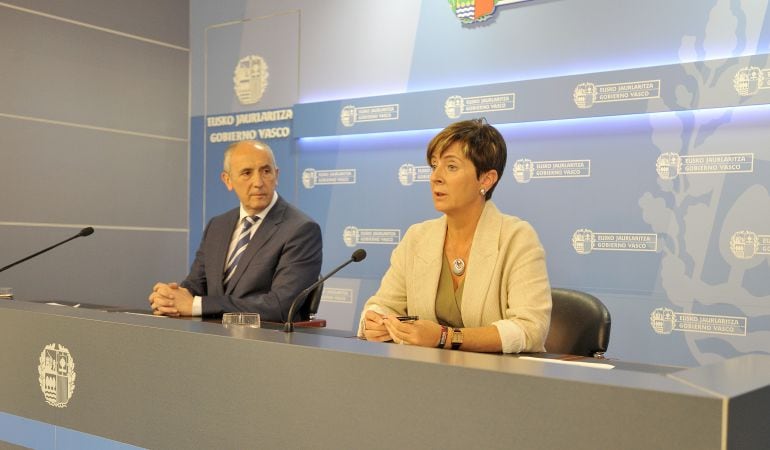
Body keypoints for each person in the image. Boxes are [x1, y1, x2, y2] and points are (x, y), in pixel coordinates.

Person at [358, 119, 551, 353]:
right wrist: (376, 320)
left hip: (497, 382)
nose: (435, 177)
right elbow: (384, 304)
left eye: (451, 167)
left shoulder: (516, 238)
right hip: (425, 379)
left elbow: (529, 329)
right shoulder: (417, 237)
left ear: (486, 180)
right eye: (434, 165)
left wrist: (446, 337)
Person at [149, 140, 322, 321]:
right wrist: (170, 298)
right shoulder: (217, 226)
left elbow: (279, 306)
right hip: (212, 337)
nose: (258, 182)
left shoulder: (301, 230)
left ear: (276, 175)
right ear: (227, 180)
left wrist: (196, 305)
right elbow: (196, 285)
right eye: (247, 173)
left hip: (266, 342)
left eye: (266, 171)